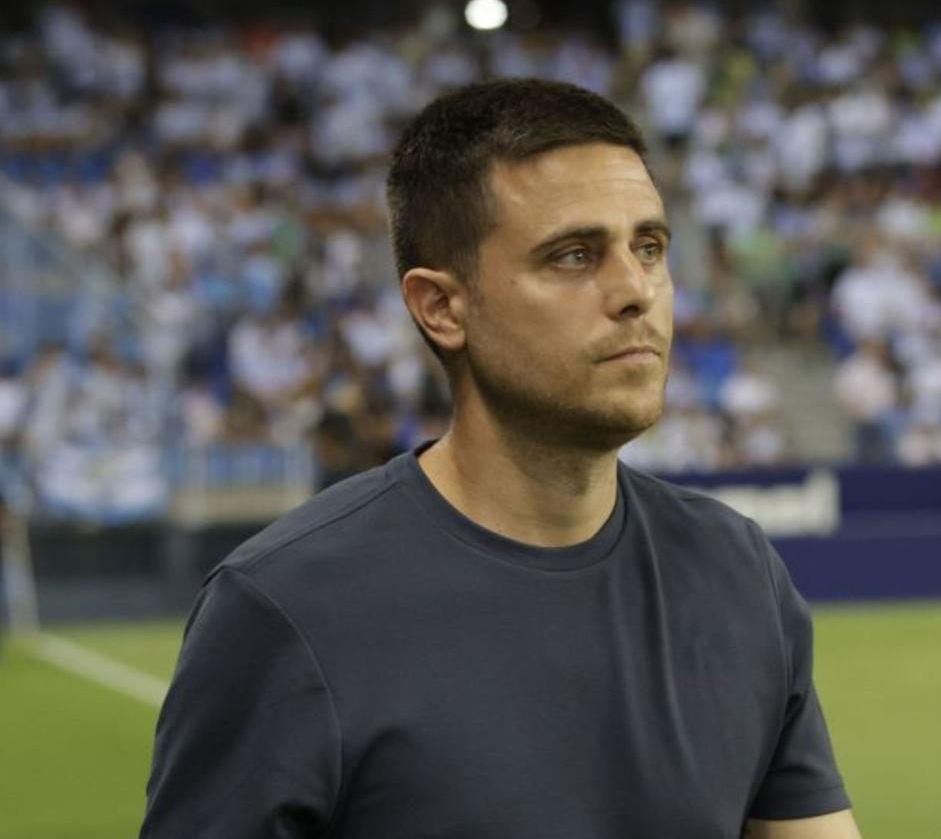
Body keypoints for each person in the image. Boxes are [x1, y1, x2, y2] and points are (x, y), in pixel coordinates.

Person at [141, 78, 860, 839]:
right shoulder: (282, 609)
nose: (635, 291)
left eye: (649, 247)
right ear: (441, 308)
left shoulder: (736, 572)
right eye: (574, 256)